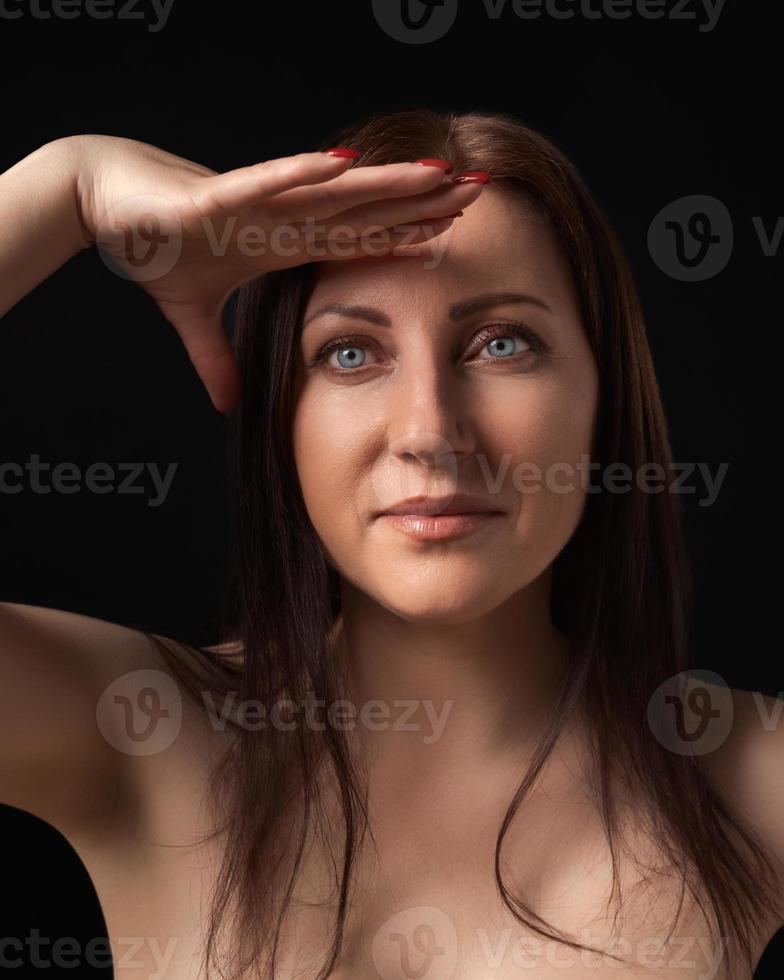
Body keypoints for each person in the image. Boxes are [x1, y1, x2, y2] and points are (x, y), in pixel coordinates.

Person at [0, 109, 781, 980]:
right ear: (280, 421)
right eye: (350, 354)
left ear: (605, 394)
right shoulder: (142, 738)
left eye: (502, 342)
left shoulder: (752, 780)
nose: (428, 432)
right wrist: (67, 188)